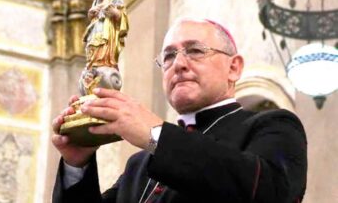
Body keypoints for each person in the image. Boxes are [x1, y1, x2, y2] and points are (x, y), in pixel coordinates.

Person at [52, 18, 307, 202]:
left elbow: (271, 193)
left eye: (195, 51)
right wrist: (78, 165)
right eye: (169, 56)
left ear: (234, 68)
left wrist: (156, 136)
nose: (179, 64)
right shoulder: (139, 165)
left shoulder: (275, 126)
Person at [83, 0, 129, 69]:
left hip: (107, 28)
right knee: (94, 46)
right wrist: (91, 13)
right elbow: (91, 16)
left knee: (105, 47)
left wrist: (113, 11)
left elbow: (121, 15)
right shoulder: (96, 1)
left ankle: (106, 63)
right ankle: (94, 64)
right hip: (96, 28)